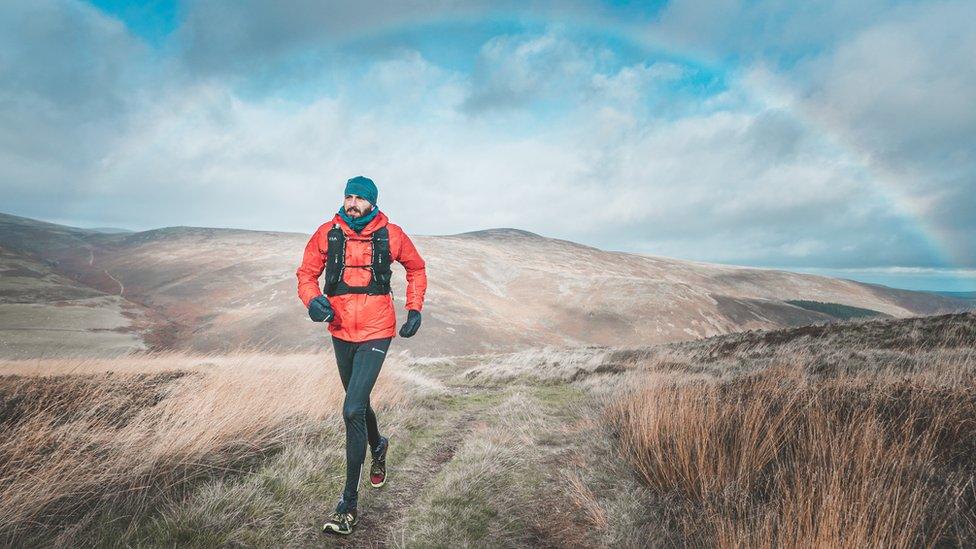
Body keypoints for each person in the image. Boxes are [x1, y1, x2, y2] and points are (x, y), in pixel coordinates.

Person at [295, 175, 427, 536]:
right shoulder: (326, 232)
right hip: (339, 329)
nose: (352, 203)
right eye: (348, 196)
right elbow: (306, 275)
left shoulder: (393, 234)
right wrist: (313, 301)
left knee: (351, 408)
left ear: (372, 202)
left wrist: (414, 308)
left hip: (377, 329)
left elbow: (416, 268)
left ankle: (347, 506)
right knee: (359, 400)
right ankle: (378, 444)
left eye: (360, 198)